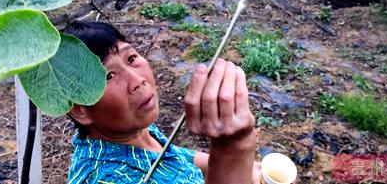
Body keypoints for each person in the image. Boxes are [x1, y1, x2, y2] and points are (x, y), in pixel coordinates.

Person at [65, 21, 261, 184]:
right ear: (81, 110)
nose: (137, 80)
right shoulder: (107, 178)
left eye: (131, 58)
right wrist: (235, 147)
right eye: (109, 76)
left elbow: (174, 157)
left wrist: (245, 168)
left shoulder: (134, 131)